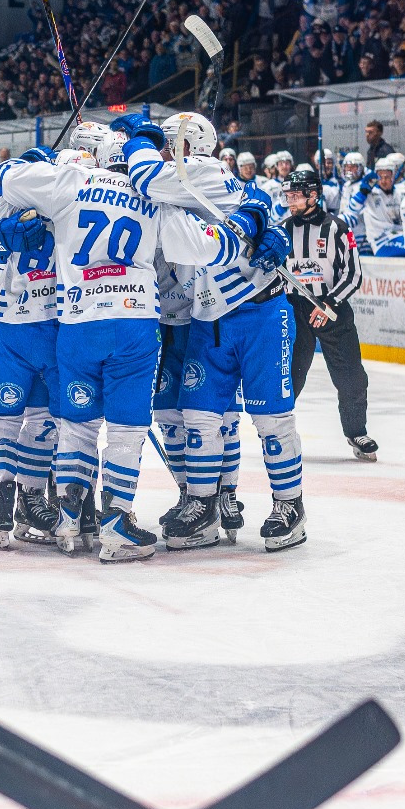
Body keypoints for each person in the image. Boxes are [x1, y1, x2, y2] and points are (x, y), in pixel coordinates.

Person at [0, 118, 246, 561]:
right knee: (127, 429)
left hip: (76, 322)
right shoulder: (151, 194)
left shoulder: (70, 179)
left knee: (78, 425)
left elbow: (8, 180)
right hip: (133, 324)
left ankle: (71, 519)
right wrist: (235, 237)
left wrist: (30, 161)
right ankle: (115, 524)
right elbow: (197, 250)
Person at [125, 115, 306, 553]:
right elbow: (254, 198)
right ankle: (203, 507)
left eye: (168, 144)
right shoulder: (191, 181)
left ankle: (290, 506)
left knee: (270, 419)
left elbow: (148, 176)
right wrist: (264, 214)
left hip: (258, 311)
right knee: (200, 417)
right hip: (208, 316)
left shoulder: (198, 172)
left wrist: (139, 141)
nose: (163, 152)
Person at [0, 146, 62, 550]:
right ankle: (16, 497)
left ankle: (21, 496)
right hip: (35, 325)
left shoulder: (45, 196)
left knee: (27, 416)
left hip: (37, 326)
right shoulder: (53, 195)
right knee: (20, 415)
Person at [279, 165, 377, 462]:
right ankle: (277, 433)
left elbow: (354, 274)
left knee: (351, 375)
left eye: (296, 196)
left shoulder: (337, 228)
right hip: (297, 309)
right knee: (290, 374)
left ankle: (356, 431)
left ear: (313, 195)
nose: (290, 201)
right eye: (289, 196)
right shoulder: (282, 230)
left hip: (332, 308)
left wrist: (330, 304)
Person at [343, 154, 405, 256]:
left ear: (393, 176)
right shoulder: (370, 193)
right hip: (381, 241)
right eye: (380, 177)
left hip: (400, 236)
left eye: (387, 177)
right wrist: (362, 193)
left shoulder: (400, 193)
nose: (383, 181)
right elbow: (352, 210)